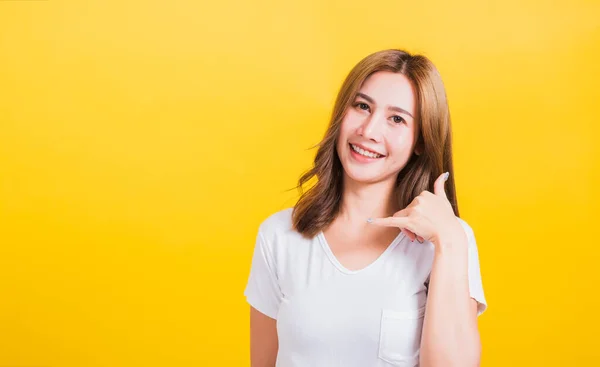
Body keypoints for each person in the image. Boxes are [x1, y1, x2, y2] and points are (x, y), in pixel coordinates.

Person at [243, 49, 488, 367]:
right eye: (362, 106)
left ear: (421, 141)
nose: (369, 131)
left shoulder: (448, 242)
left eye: (397, 119)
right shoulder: (278, 235)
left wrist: (450, 241)